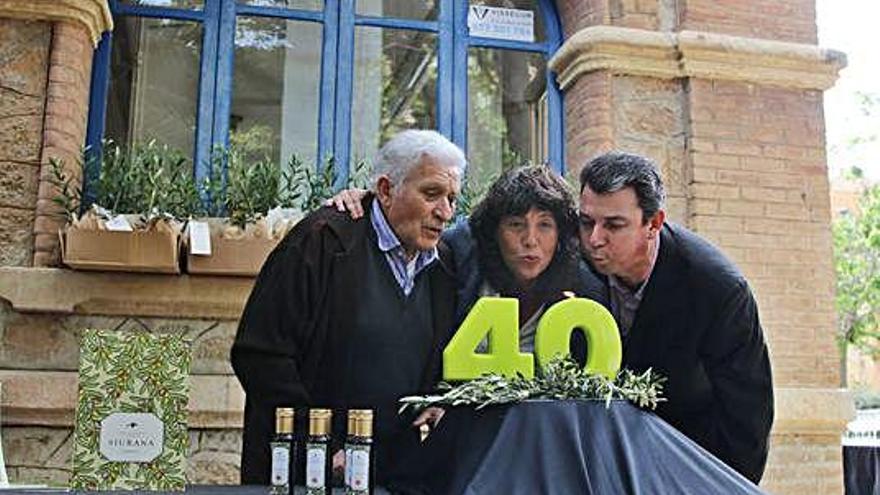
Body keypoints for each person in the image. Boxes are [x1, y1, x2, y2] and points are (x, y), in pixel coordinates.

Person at [230, 129, 466, 488]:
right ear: (385, 190)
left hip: (396, 477)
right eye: (432, 193)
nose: (445, 212)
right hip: (308, 472)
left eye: (452, 198)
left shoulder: (445, 265)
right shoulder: (320, 241)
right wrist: (321, 443)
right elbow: (259, 354)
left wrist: (439, 401)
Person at [577, 150, 774, 483]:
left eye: (614, 225)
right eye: (586, 222)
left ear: (653, 223)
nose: (594, 239)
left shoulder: (718, 289)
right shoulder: (569, 264)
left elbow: (747, 422)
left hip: (685, 467)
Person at [445, 165, 606, 350]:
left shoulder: (588, 292)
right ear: (494, 233)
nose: (530, 240)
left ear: (561, 235)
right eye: (516, 224)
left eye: (544, 225)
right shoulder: (459, 265)